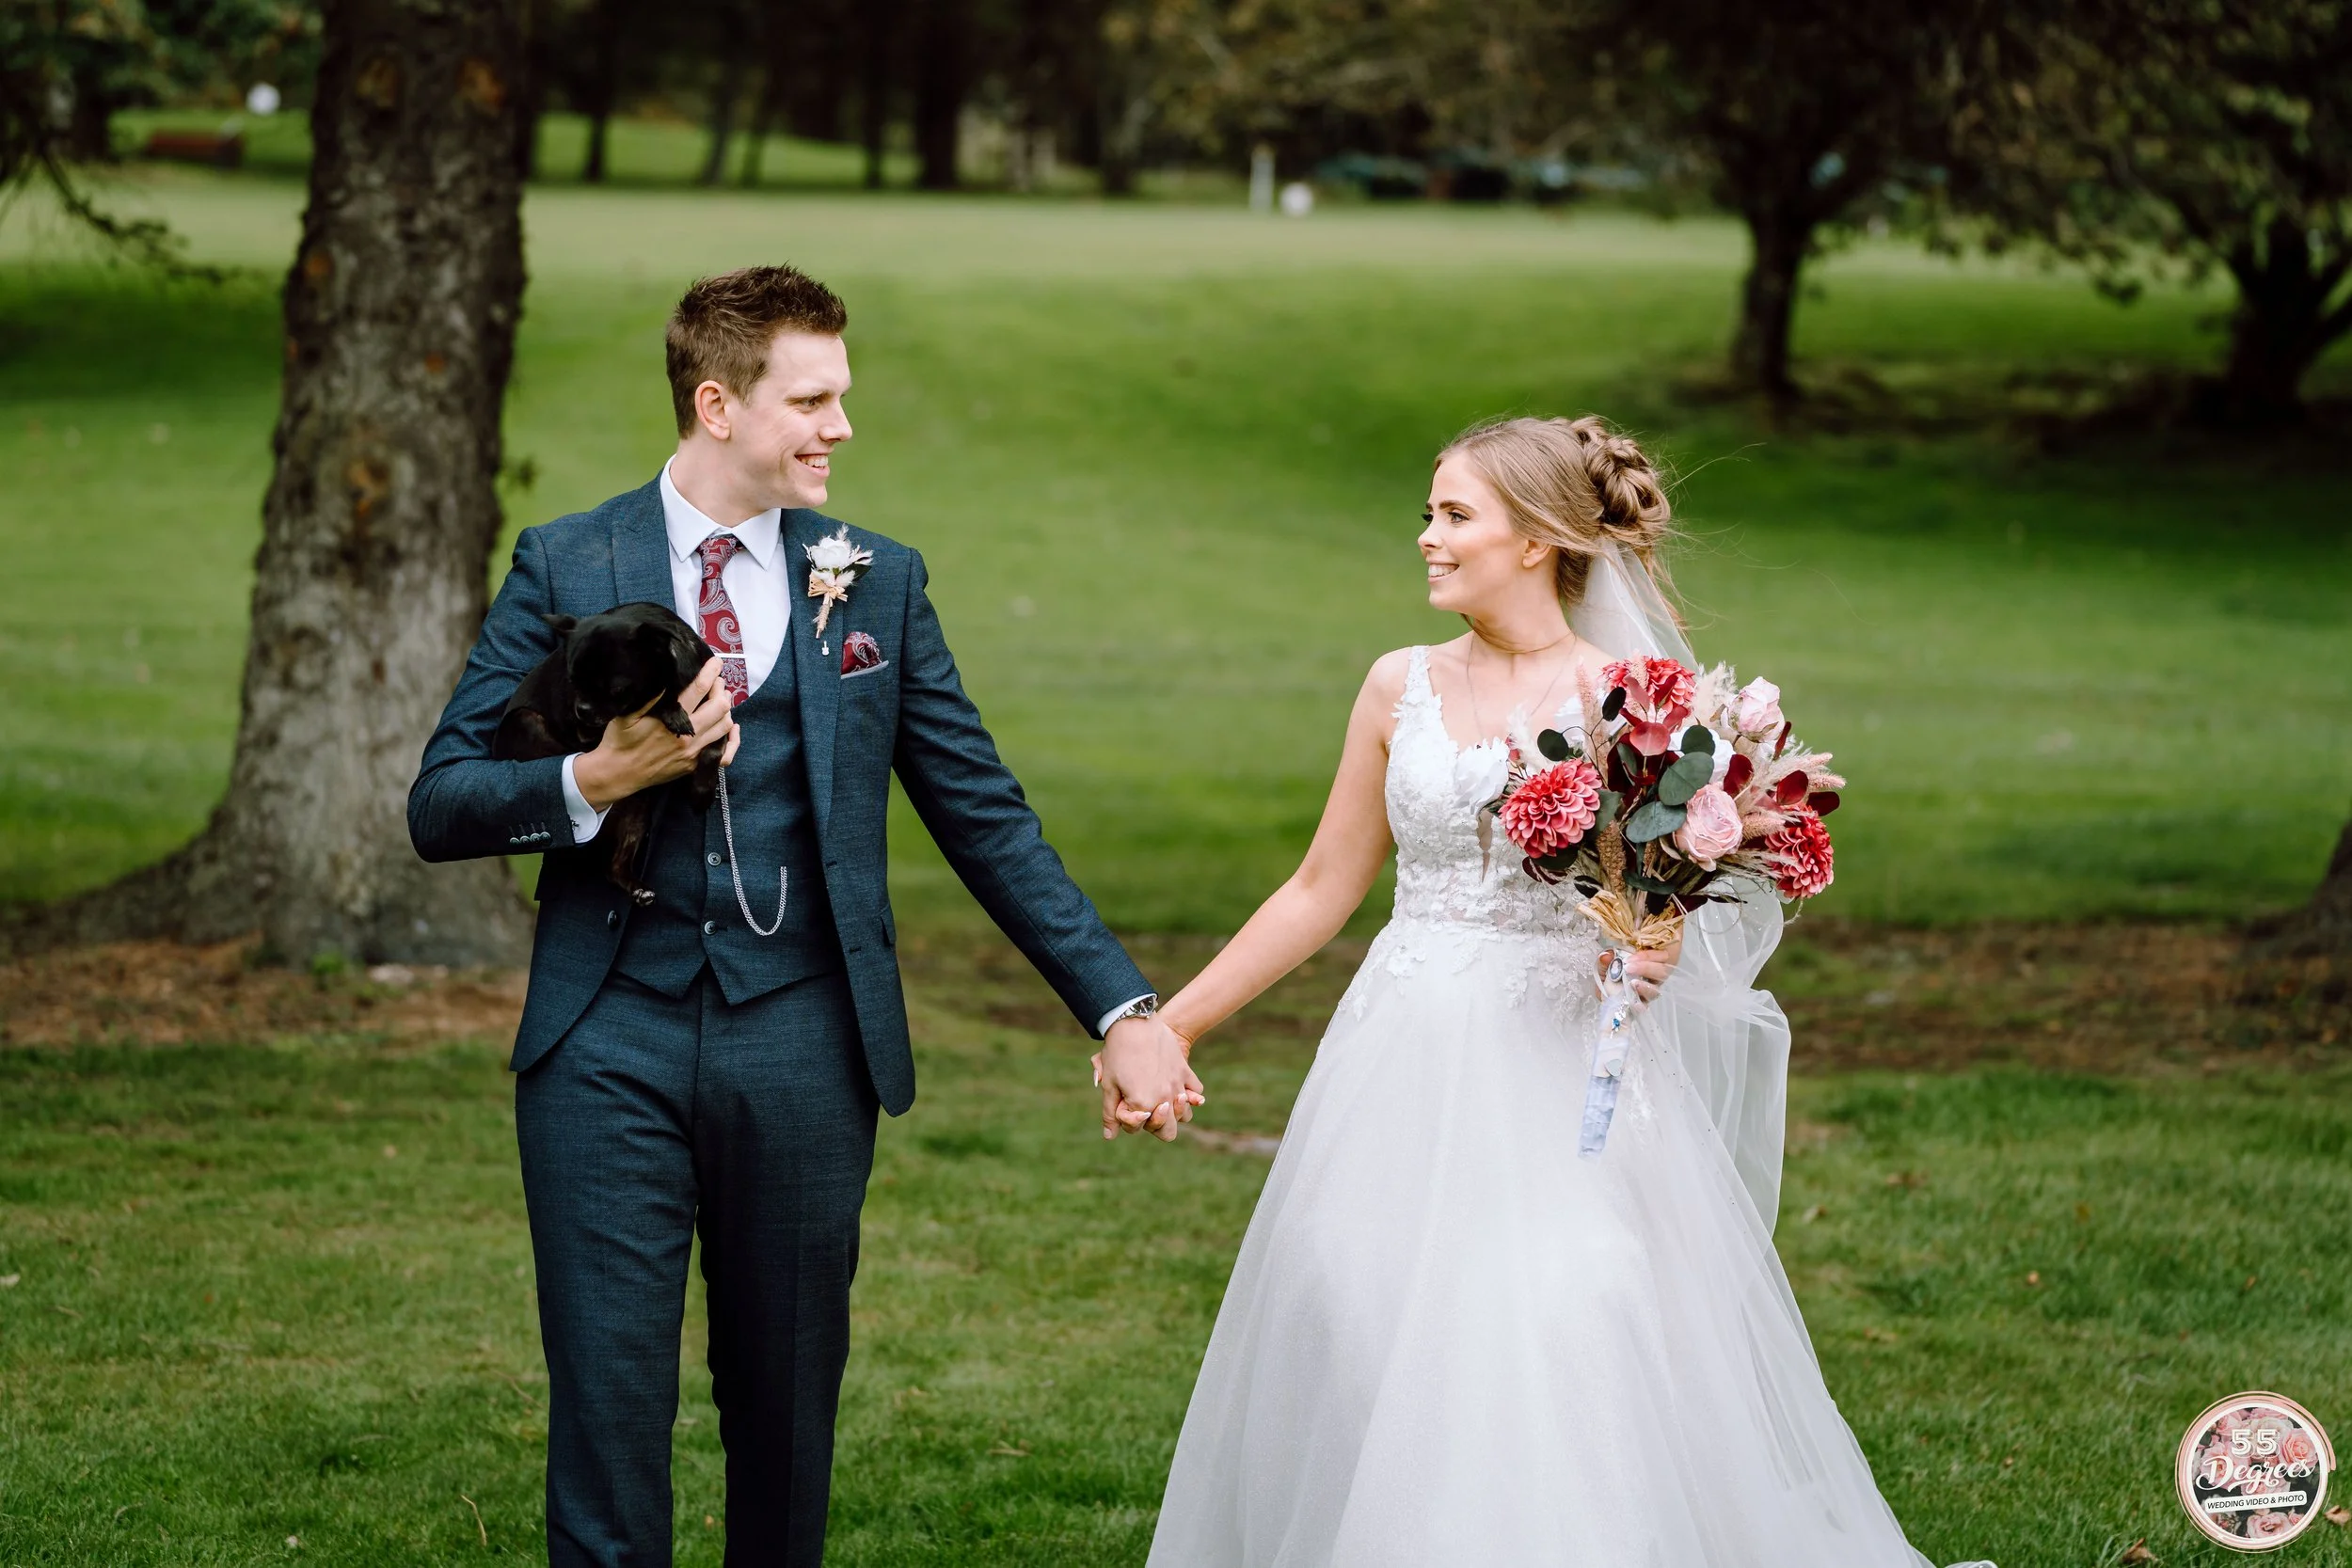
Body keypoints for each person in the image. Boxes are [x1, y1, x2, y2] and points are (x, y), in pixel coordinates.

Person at [407, 264, 1200, 1568]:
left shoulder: (874, 581)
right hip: (605, 1038)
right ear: (718, 403)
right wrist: (597, 779)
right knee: (606, 1410)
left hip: (804, 1040)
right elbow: (442, 801)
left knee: (784, 1418)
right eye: (813, 398)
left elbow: (981, 813)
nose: (841, 426)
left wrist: (1122, 1006)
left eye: (843, 396)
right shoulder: (567, 558)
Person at [1136, 417, 1988, 1566]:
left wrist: (1660, 936)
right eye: (1429, 512)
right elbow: (1318, 886)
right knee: (1360, 1306)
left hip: (1552, 1066)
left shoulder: (1635, 704)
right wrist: (1172, 1020)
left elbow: (1682, 887)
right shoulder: (1399, 686)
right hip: (1402, 1049)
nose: (1425, 538)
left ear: (1538, 538)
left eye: (1453, 515)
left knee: (1558, 1315)